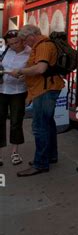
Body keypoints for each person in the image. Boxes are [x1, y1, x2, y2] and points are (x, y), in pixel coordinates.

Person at [11, 25, 64, 177]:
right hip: (45, 88)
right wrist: (26, 74)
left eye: (25, 39)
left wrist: (21, 71)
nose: (24, 43)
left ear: (32, 35)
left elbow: (41, 68)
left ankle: (40, 163)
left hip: (45, 90)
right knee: (48, 124)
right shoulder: (42, 44)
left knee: (40, 126)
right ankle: (50, 156)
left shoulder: (43, 46)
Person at [0, 30, 30, 166]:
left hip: (18, 92)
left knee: (16, 121)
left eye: (16, 42)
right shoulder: (5, 51)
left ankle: (15, 152)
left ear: (22, 40)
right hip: (1, 90)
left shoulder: (30, 52)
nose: (14, 46)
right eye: (10, 43)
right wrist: (7, 72)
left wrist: (26, 76)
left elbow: (34, 71)